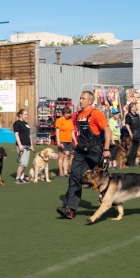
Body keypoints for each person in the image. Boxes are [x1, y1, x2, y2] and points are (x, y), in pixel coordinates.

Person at [56, 91, 112, 219]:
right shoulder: (79, 114)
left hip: (94, 151)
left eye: (83, 98)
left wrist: (107, 149)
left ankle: (111, 200)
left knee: (103, 177)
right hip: (81, 151)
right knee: (74, 176)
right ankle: (69, 208)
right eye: (80, 98)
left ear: (90, 101)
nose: (80, 100)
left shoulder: (96, 114)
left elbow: (107, 130)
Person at [13, 109, 34, 184]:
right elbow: (16, 134)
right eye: (25, 114)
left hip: (28, 145)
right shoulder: (17, 123)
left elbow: (29, 135)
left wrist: (31, 145)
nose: (26, 116)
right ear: (20, 115)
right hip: (22, 145)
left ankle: (22, 178)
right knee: (22, 163)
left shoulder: (26, 124)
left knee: (26, 163)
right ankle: (17, 178)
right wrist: (20, 145)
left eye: (27, 114)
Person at [55, 106, 77, 177]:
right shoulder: (59, 120)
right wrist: (58, 141)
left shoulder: (70, 121)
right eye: (67, 113)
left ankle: (65, 172)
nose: (68, 114)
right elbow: (57, 132)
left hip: (69, 141)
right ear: (63, 113)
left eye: (69, 113)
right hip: (62, 140)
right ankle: (60, 172)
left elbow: (72, 132)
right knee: (61, 156)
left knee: (67, 157)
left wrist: (75, 141)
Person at [125, 102, 140, 166]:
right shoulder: (128, 115)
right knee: (131, 148)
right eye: (134, 106)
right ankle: (129, 162)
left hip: (138, 133)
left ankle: (133, 161)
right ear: (131, 108)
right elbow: (127, 124)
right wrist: (130, 133)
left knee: (135, 148)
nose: (136, 107)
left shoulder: (137, 115)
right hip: (132, 132)